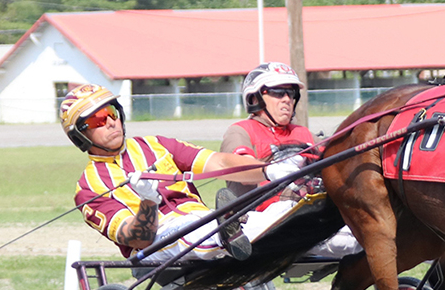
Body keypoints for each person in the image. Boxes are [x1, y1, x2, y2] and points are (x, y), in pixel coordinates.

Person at [61, 83, 287, 263]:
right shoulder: (89, 188)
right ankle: (223, 232)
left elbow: (217, 163)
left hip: (202, 218)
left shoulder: (157, 144)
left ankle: (292, 224)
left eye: (112, 113)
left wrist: (268, 170)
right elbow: (138, 239)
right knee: (189, 232)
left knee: (276, 215)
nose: (111, 123)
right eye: (98, 119)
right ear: (80, 135)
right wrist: (148, 202)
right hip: (156, 242)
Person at [220, 62, 361, 258]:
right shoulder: (241, 130)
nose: (287, 99)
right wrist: (271, 170)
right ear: (255, 98)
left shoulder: (302, 133)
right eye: (278, 92)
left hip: (307, 213)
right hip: (260, 218)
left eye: (291, 93)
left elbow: (336, 160)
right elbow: (240, 169)